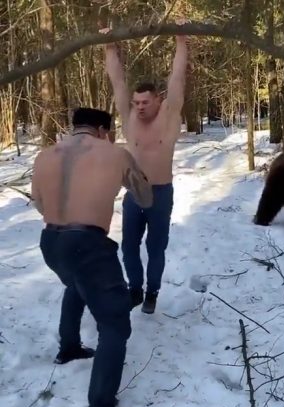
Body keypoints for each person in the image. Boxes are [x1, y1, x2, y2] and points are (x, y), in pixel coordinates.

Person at [30, 107, 153, 407]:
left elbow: (40, 203)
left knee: (77, 284)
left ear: (75, 128)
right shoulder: (114, 153)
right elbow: (145, 198)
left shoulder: (45, 155)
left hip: (51, 243)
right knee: (114, 324)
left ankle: (69, 347)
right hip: (88, 244)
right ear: (103, 130)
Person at [102, 20, 188, 313]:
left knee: (155, 248)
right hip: (134, 193)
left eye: (144, 102)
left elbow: (177, 77)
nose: (139, 106)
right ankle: (135, 288)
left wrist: (180, 40)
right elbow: (117, 81)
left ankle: (152, 291)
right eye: (136, 102)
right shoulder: (129, 118)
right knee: (128, 247)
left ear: (158, 100)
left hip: (161, 192)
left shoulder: (170, 114)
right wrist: (110, 46)